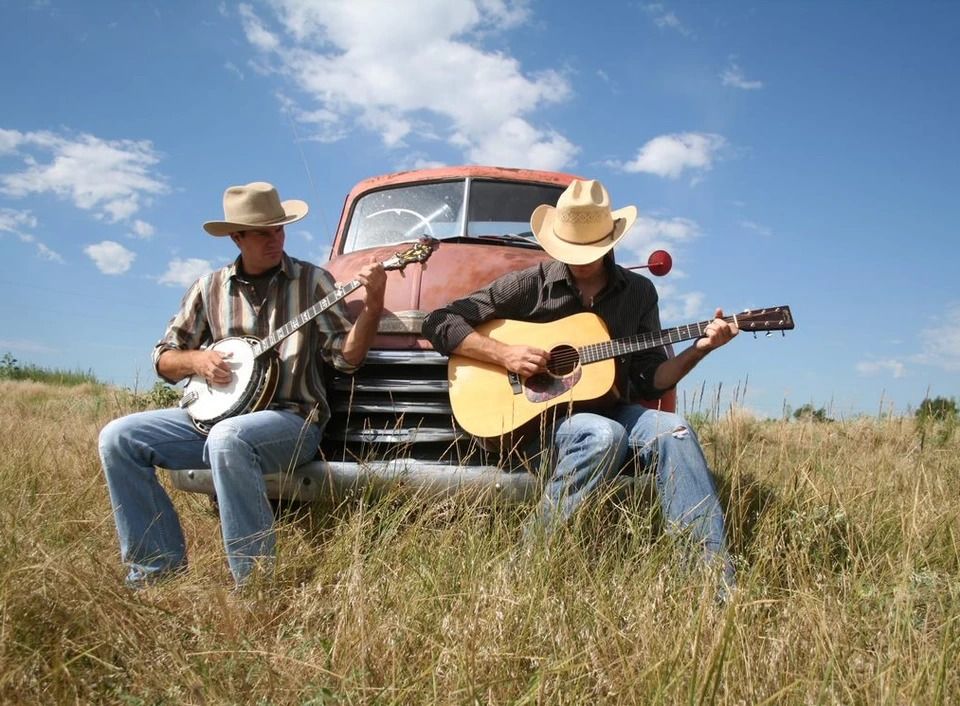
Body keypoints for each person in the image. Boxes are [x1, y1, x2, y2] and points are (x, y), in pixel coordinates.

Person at [421, 178, 738, 589]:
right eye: (573, 249)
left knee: (675, 432)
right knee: (601, 435)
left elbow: (650, 379)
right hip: (542, 426)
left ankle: (710, 587)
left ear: (610, 241)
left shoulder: (639, 292)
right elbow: (439, 322)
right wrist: (505, 355)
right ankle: (523, 567)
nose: (582, 260)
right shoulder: (528, 284)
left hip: (615, 410)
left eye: (591, 249)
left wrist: (699, 350)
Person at [99, 181, 386, 588]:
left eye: (279, 230)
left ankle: (255, 586)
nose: (275, 240)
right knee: (118, 438)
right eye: (262, 233)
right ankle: (155, 570)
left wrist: (372, 307)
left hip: (291, 419)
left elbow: (346, 358)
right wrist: (197, 359)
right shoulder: (208, 288)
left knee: (228, 439)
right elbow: (164, 358)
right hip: (210, 420)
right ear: (237, 237)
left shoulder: (313, 283)